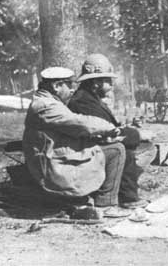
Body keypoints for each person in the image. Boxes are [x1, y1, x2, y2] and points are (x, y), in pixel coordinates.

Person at [22, 67, 128, 217]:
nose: (72, 90)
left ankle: (92, 200)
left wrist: (99, 136)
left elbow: (71, 130)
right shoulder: (45, 106)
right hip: (52, 164)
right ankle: (106, 203)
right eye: (69, 84)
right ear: (56, 86)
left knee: (106, 147)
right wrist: (110, 128)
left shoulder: (48, 102)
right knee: (116, 150)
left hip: (54, 155)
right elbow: (79, 123)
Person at [68, 53, 152, 209]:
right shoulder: (83, 101)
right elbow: (106, 133)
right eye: (108, 80)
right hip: (87, 151)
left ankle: (123, 190)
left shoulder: (90, 98)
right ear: (95, 82)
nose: (112, 84)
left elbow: (109, 126)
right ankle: (127, 197)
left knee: (140, 146)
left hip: (94, 147)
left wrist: (130, 127)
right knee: (124, 150)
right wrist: (137, 134)